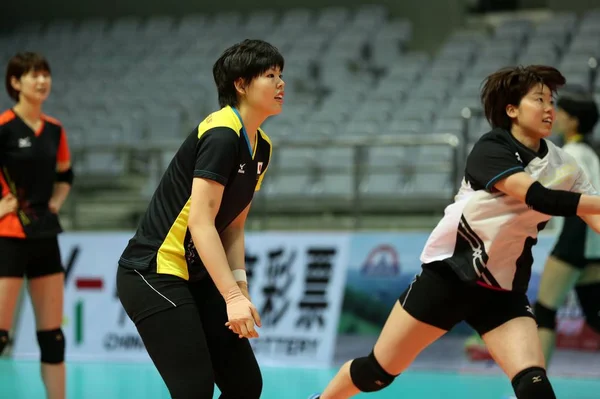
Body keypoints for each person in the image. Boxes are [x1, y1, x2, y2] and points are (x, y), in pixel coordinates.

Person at [308, 65, 600, 399]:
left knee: (533, 382)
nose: (550, 109)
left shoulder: (566, 165)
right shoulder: (491, 149)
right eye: (540, 100)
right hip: (449, 277)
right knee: (378, 372)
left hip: (503, 290)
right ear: (512, 109)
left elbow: (595, 216)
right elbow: (538, 197)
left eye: (552, 101)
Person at [116, 39, 284, 399]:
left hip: (197, 274)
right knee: (194, 390)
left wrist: (239, 288)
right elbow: (201, 222)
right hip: (152, 272)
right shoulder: (221, 133)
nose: (281, 83)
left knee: (245, 386)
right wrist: (229, 296)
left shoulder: (262, 147)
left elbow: (234, 226)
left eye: (280, 75)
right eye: (270, 75)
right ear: (240, 85)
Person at [0, 52, 74, 399]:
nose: (42, 81)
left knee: (53, 338)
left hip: (46, 236)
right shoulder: (3, 129)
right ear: (15, 83)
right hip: (8, 238)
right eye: (33, 75)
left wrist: (56, 202)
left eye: (46, 74)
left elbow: (65, 175)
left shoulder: (55, 129)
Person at [535, 88, 600, 365]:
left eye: (559, 112)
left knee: (545, 311)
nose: (554, 116)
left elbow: (545, 194)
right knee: (595, 315)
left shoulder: (570, 152)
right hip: (594, 245)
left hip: (575, 240)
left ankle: (534, 390)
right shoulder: (591, 153)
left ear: (573, 121)